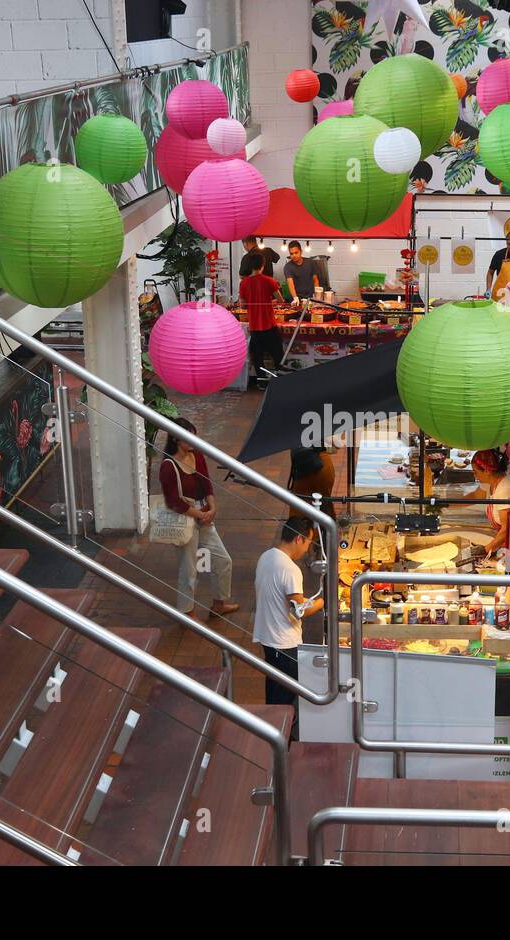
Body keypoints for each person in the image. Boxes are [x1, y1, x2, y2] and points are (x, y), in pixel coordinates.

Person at [158, 418, 239, 623]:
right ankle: (187, 613)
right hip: (186, 520)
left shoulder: (197, 455)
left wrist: (213, 507)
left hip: (204, 516)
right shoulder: (168, 466)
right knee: (189, 568)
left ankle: (219, 604)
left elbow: (206, 482)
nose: (193, 440)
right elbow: (173, 501)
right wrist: (201, 514)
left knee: (223, 559)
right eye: (188, 436)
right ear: (176, 438)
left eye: (194, 435)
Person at [252, 517, 325, 709]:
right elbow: (298, 611)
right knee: (284, 699)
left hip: (268, 638)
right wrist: (321, 603)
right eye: (309, 542)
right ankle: (279, 735)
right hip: (284, 643)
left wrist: (306, 601)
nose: (308, 548)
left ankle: (275, 730)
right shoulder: (290, 569)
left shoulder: (267, 556)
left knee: (275, 690)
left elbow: (284, 597)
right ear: (299, 539)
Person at [462, 448, 510, 569]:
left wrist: (486, 549)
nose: (474, 475)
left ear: (487, 471)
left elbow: (507, 528)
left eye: (476, 471)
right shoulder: (493, 481)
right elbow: (476, 495)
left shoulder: (506, 489)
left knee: (509, 571)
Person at [239, 251, 286, 389]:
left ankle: (261, 382)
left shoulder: (244, 283)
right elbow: (281, 301)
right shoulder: (270, 281)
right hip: (270, 325)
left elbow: (242, 305)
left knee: (258, 357)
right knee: (277, 354)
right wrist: (269, 301)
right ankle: (282, 381)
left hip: (255, 327)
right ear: (263, 265)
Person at [288, 445, 336, 519]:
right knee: (325, 506)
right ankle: (328, 527)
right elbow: (334, 447)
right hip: (322, 464)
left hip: (302, 466)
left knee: (298, 514)